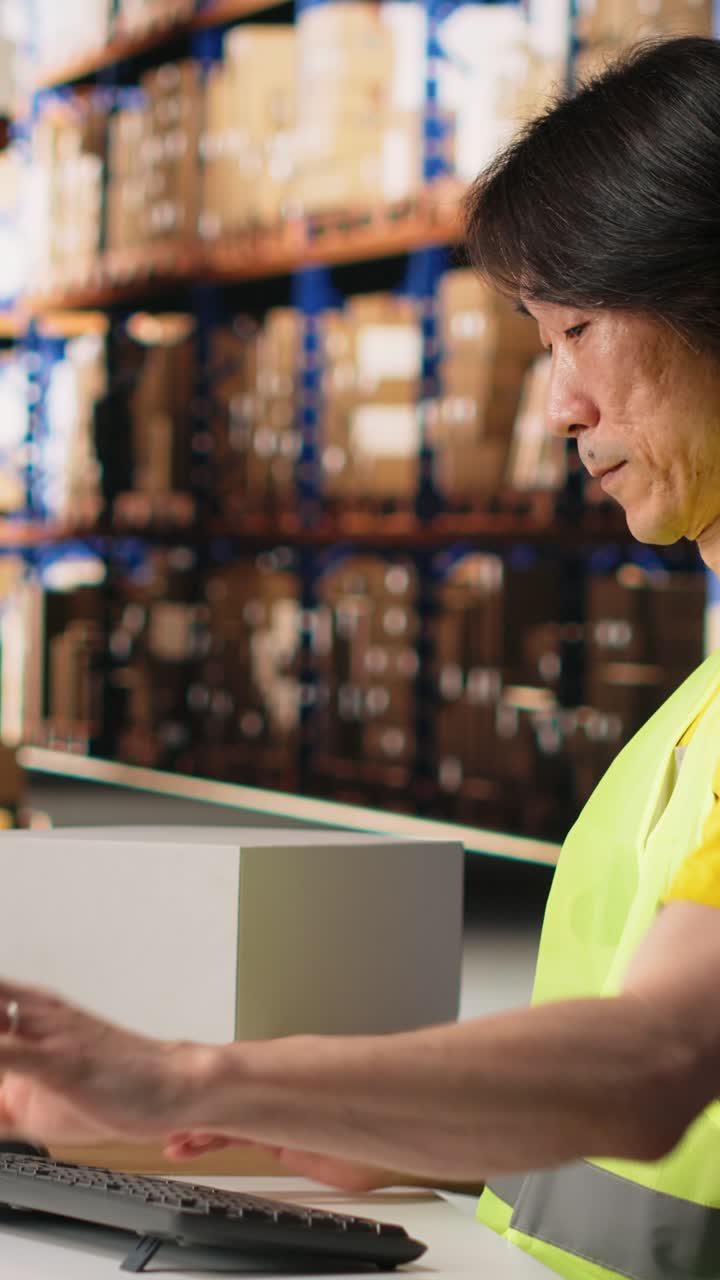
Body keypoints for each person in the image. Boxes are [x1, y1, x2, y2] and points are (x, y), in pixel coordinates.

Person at [3, 33, 720, 1280]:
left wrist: (181, 1073)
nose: (561, 406)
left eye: (581, 328)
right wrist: (370, 1124)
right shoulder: (695, 707)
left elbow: (658, 1063)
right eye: (541, 344)